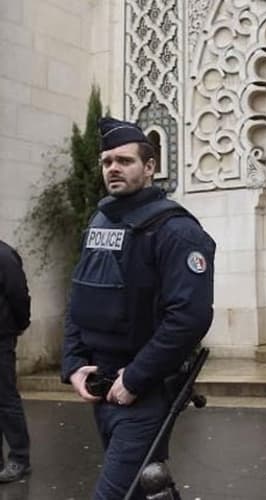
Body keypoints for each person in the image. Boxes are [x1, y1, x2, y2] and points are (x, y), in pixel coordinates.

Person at [62, 117, 216, 499]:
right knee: (145, 485)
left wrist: (135, 379)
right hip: (102, 385)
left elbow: (189, 317)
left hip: (143, 389)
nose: (113, 167)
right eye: (107, 161)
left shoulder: (176, 230)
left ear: (150, 168)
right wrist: (73, 363)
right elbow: (80, 296)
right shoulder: (101, 218)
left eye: (125, 160)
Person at [0, 240, 31, 483]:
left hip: (1, 337)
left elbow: (19, 295)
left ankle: (19, 458)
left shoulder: (4, 255)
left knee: (6, 398)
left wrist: (19, 325)